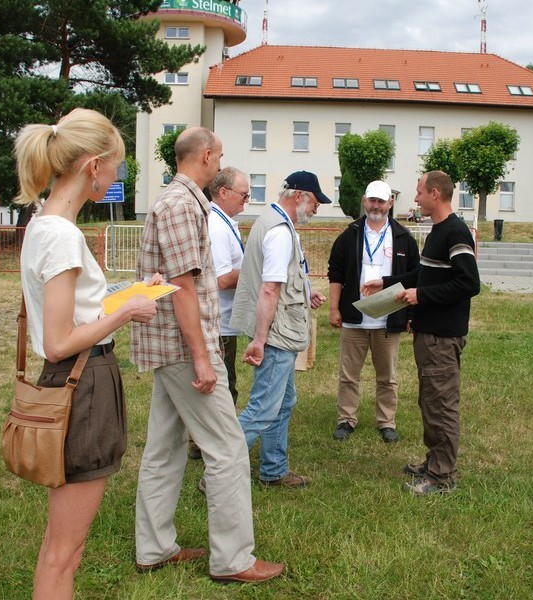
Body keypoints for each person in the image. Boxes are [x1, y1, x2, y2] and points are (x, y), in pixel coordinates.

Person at [14, 108, 160, 599]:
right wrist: (127, 312)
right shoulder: (62, 235)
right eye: (116, 165)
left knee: (60, 547)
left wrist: (132, 293)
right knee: (65, 552)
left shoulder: (45, 224)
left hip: (76, 379)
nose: (118, 175)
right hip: (82, 383)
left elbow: (75, 310)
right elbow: (59, 340)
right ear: (93, 166)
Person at [131, 127, 283, 584]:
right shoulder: (181, 204)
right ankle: (233, 559)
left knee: (164, 447)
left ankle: (154, 548)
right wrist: (202, 357)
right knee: (228, 449)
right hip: (185, 348)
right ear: (206, 156)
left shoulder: (178, 201)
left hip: (174, 346)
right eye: (219, 156)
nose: (220, 162)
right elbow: (182, 286)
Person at [363, 170, 480, 496]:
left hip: (443, 336)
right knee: (430, 400)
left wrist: (421, 297)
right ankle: (434, 462)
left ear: (435, 194)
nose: (415, 198)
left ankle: (442, 476)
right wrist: (386, 283)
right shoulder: (439, 230)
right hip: (429, 333)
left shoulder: (455, 232)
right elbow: (424, 274)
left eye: (419, 192)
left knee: (442, 403)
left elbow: (469, 283)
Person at [230, 171, 330, 487]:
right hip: (276, 335)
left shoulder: (271, 222)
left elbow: (281, 280)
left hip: (276, 332)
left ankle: (273, 470)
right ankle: (218, 473)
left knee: (283, 403)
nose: (315, 210)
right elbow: (270, 288)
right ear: (299, 196)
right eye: (314, 203)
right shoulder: (279, 232)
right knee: (262, 408)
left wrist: (305, 292)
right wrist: (260, 341)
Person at [327, 180, 419, 443]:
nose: (376, 206)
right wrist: (334, 309)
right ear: (364, 201)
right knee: (348, 375)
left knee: (387, 377)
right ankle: (346, 419)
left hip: (388, 319)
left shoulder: (403, 237)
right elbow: (336, 274)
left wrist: (410, 316)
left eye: (381, 201)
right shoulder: (349, 235)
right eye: (372, 200)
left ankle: (386, 422)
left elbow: (414, 277)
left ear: (390, 202)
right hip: (354, 319)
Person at [208, 166, 250, 405]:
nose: (247, 201)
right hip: (219, 325)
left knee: (225, 385)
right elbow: (222, 279)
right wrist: (257, 270)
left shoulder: (224, 223)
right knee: (223, 390)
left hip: (224, 322)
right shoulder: (216, 226)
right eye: (243, 195)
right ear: (223, 192)